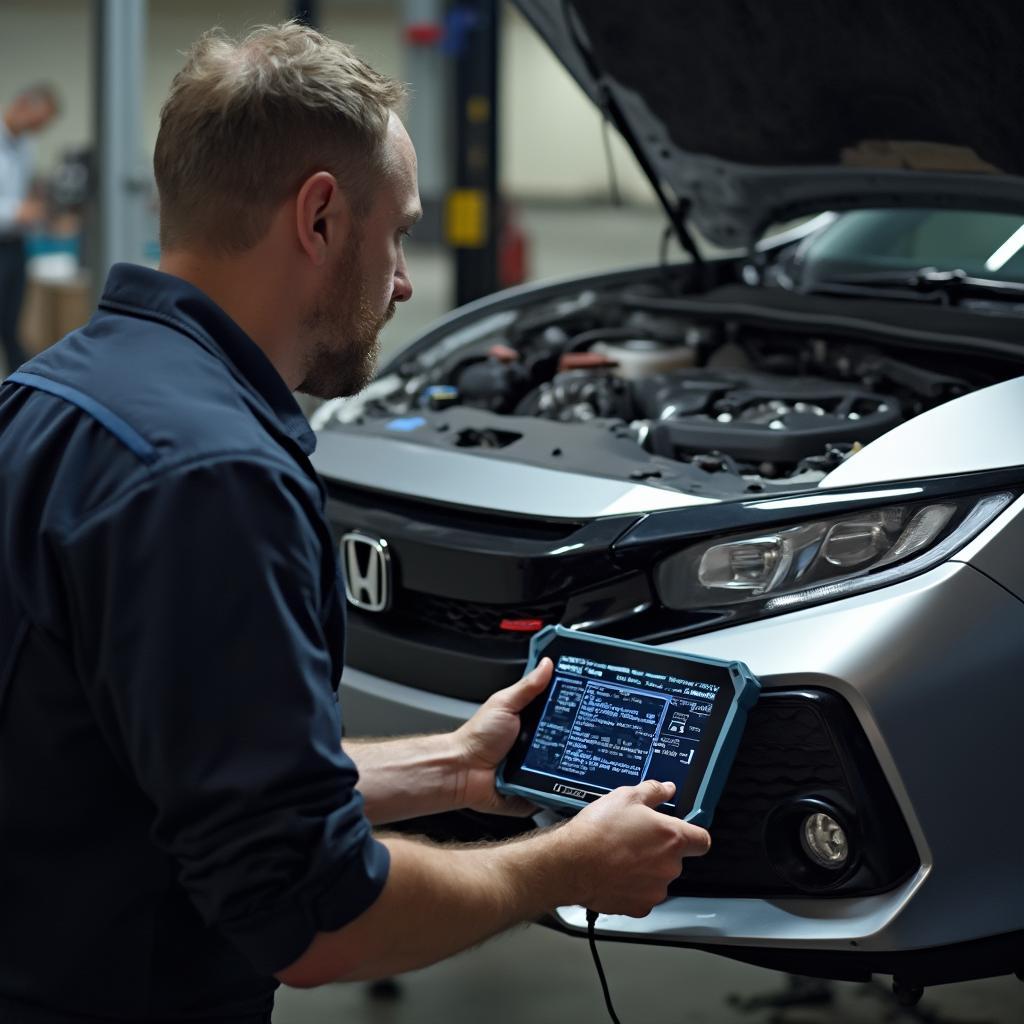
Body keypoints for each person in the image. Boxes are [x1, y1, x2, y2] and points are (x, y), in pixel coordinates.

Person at [0, 23, 711, 1023]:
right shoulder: (214, 480)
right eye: (402, 232)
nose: (407, 281)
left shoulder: (53, 395)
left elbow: (180, 769)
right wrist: (559, 867)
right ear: (322, 217)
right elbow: (314, 917)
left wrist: (455, 768)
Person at [0, 83, 58, 374]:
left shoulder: (26, 146)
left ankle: (16, 390)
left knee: (10, 324)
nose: (38, 128)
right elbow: (15, 206)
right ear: (22, 104)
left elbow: (28, 194)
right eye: (38, 121)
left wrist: (41, 213)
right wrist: (16, 211)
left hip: (14, 246)